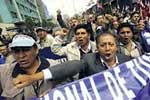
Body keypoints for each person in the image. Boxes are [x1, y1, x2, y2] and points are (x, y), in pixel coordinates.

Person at [12, 32, 131, 89]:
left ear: (117, 46)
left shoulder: (127, 60)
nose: (107, 48)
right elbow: (71, 66)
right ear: (97, 47)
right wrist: (34, 77)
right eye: (103, 45)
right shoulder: (89, 59)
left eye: (111, 44)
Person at [0, 33, 81, 99]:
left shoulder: (54, 66)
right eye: (16, 51)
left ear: (36, 50)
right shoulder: (4, 72)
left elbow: (78, 65)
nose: (21, 56)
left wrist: (56, 92)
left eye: (26, 50)